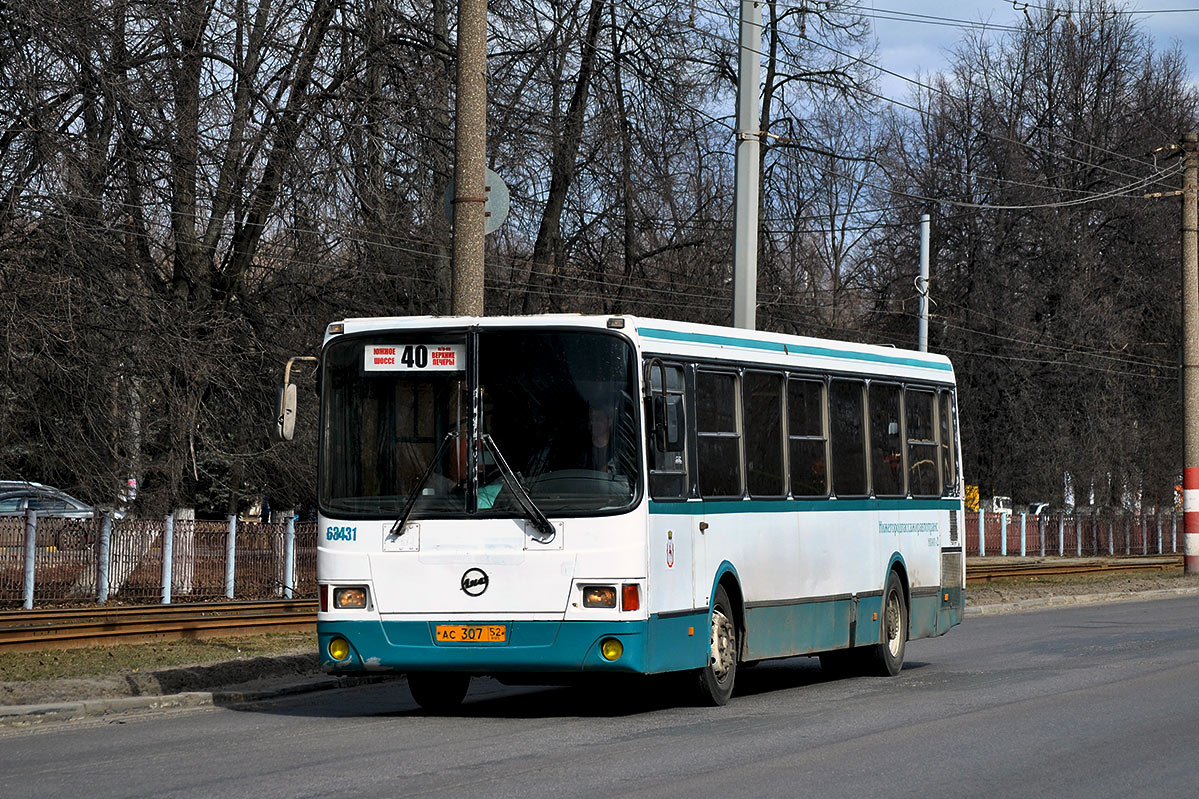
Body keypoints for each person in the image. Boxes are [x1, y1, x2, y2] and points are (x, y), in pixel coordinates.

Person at [588, 406, 612, 473]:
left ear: (610, 421)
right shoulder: (580, 451)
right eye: (591, 419)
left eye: (598, 419)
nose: (593, 423)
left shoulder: (620, 450)